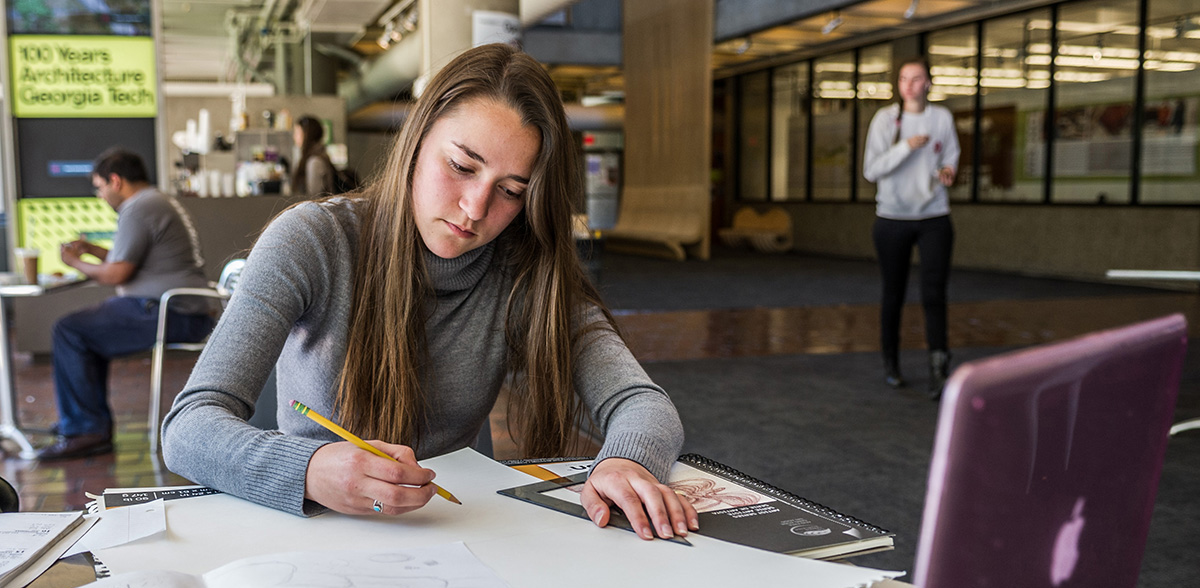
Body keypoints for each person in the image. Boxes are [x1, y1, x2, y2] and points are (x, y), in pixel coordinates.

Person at [163, 44, 699, 542]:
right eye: (461, 167)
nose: (474, 208)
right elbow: (189, 427)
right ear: (417, 141)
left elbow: (640, 402)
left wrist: (627, 462)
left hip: (458, 528)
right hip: (321, 528)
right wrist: (308, 468)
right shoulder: (313, 240)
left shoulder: (523, 269)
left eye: (512, 191)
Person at [37, 148, 214, 460]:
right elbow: (127, 261)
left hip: (167, 311)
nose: (99, 195)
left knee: (69, 329)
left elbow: (117, 273)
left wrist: (73, 261)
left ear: (115, 181)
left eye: (99, 186)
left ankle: (86, 429)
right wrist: (91, 249)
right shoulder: (154, 201)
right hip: (182, 308)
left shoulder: (139, 209)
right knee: (87, 331)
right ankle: (85, 423)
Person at [862, 57, 960, 400]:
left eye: (917, 78)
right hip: (892, 219)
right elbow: (871, 170)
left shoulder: (941, 118)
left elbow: (950, 158)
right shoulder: (885, 119)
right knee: (894, 293)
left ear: (928, 83)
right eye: (904, 78)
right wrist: (906, 146)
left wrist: (947, 171)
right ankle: (892, 363)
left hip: (934, 216)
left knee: (934, 294)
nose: (909, 84)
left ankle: (939, 367)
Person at [291, 115, 336, 198]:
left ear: (306, 134)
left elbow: (314, 197)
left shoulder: (315, 161)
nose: (294, 137)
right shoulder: (316, 156)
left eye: (297, 133)